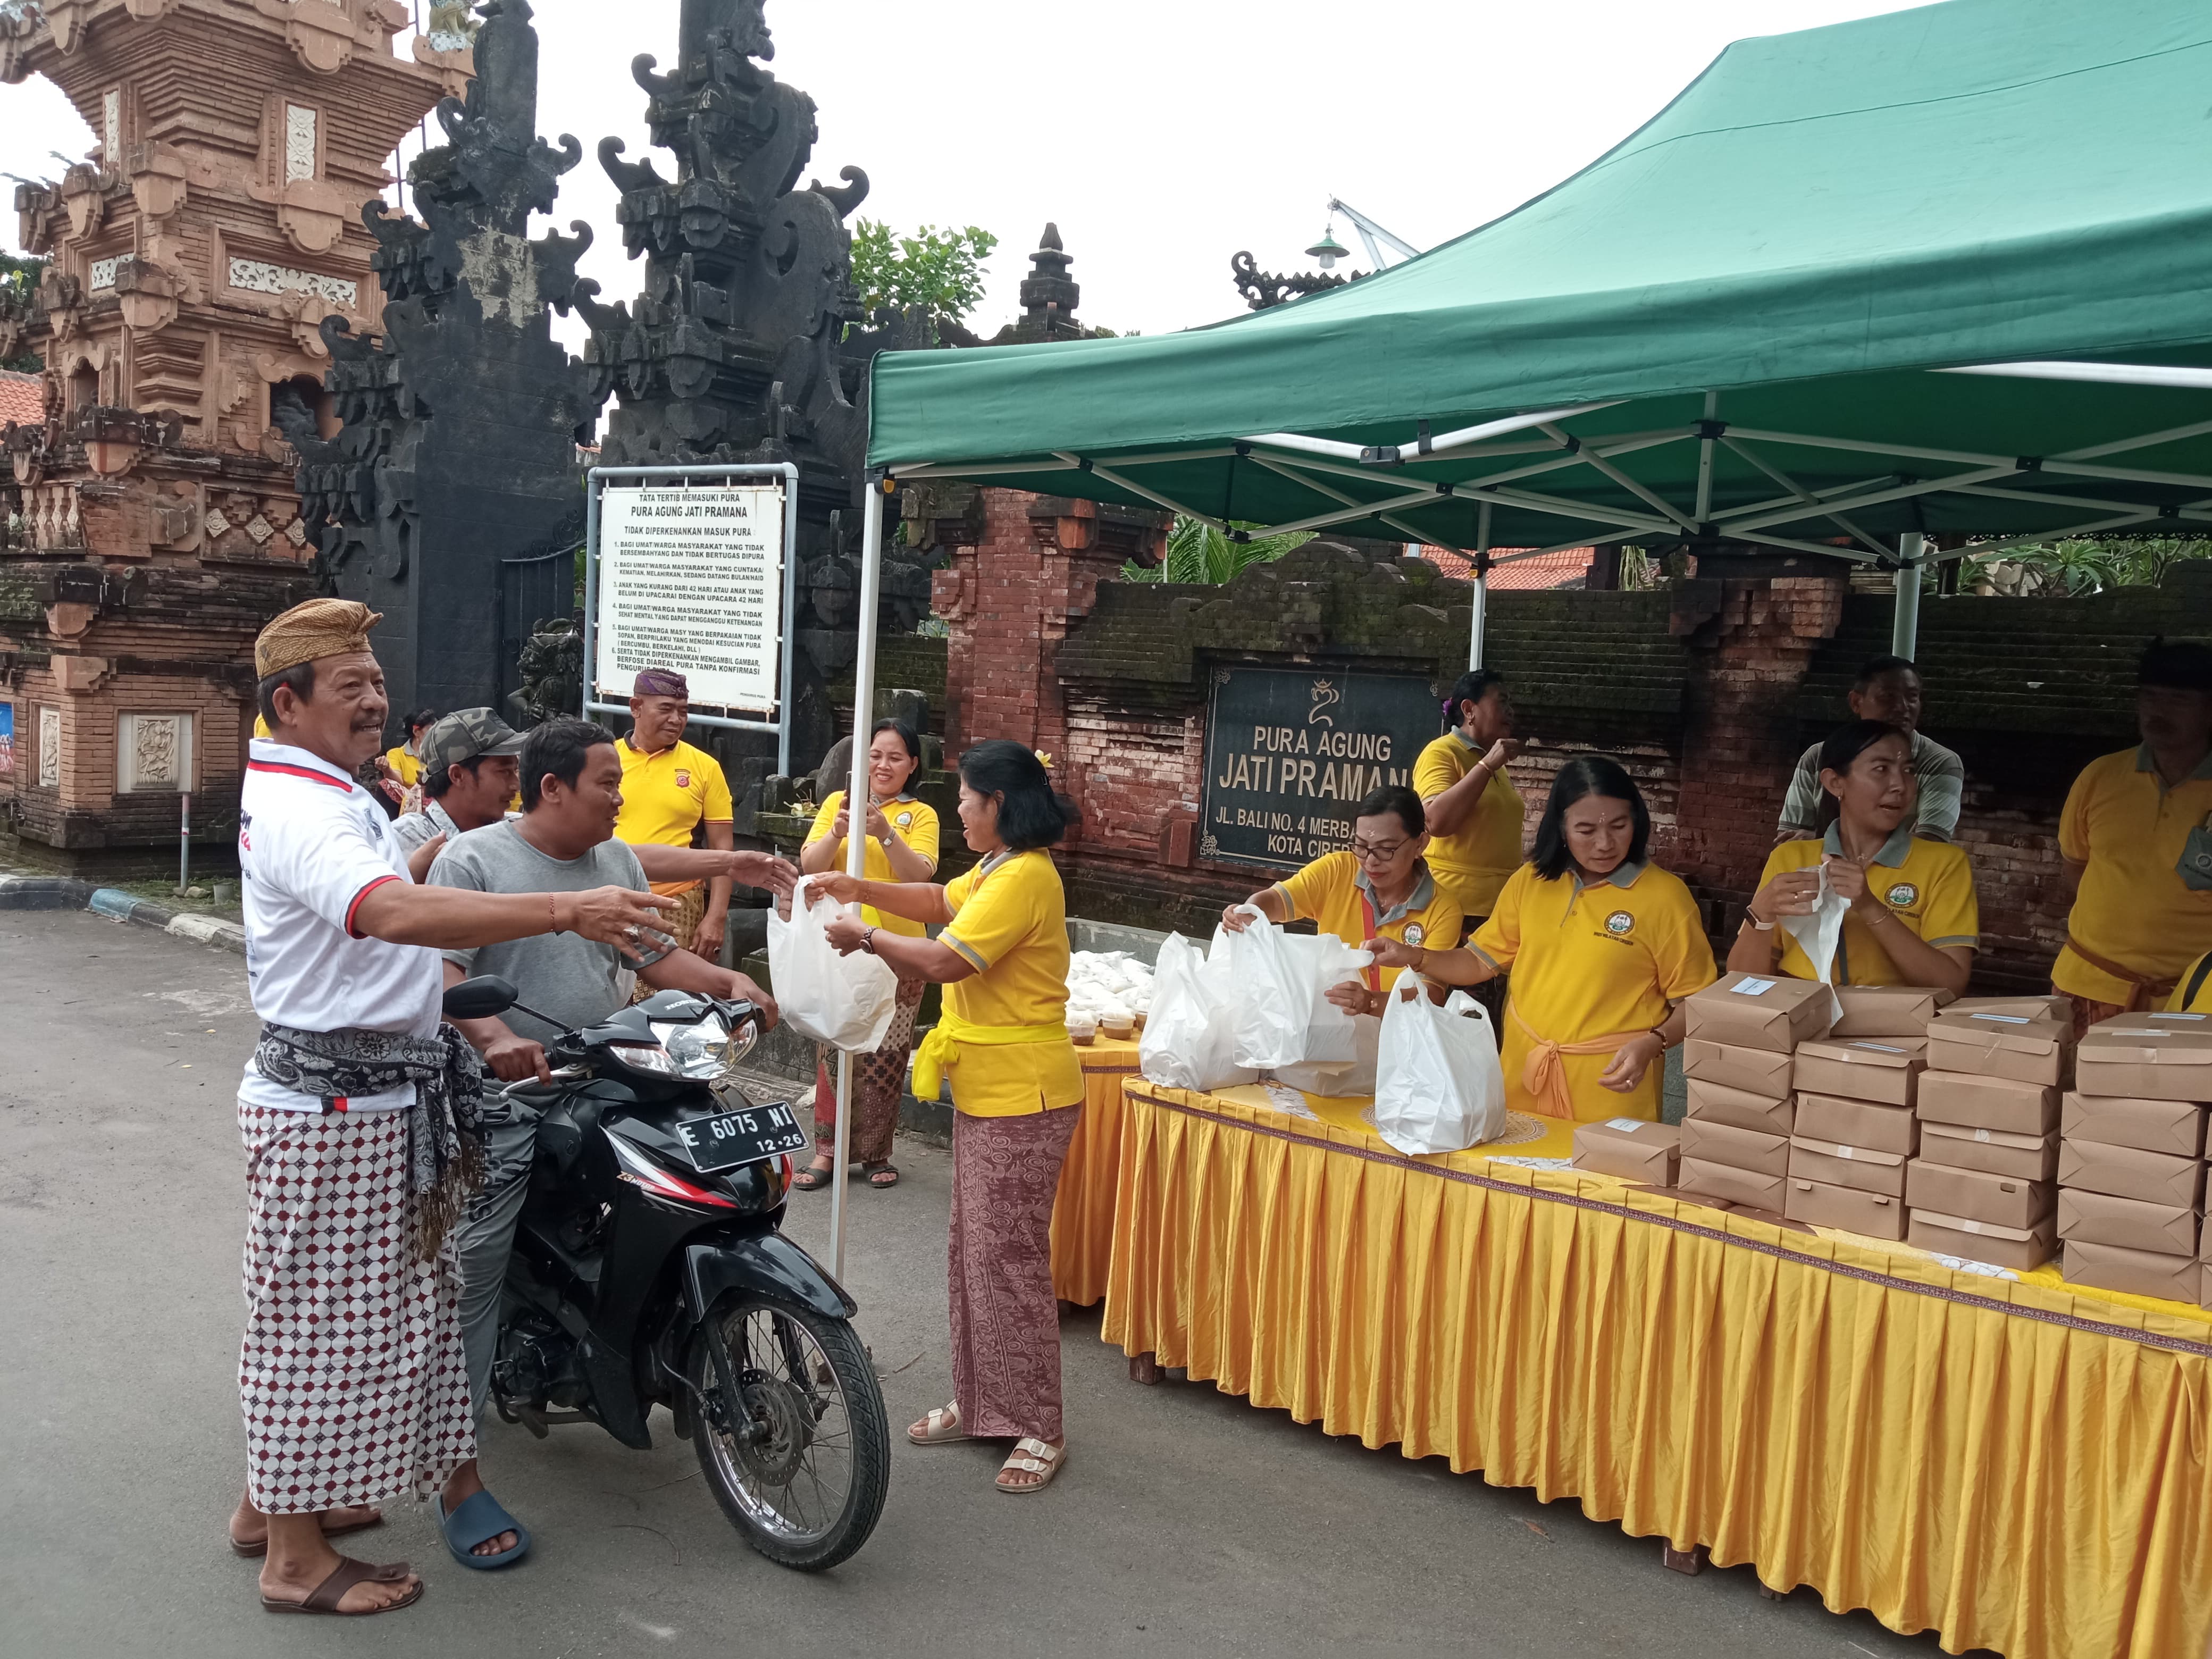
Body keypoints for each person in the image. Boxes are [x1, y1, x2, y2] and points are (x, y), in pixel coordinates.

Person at [228, 599, 669, 1614]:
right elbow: (384, 912)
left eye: (379, 683)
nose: (377, 700)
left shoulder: (330, 789)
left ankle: (274, 1504)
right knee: (317, 1324)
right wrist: (565, 909)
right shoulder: (307, 807)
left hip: (371, 1091)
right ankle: (292, 1561)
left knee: (356, 1315)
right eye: (352, 687)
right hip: (333, 1105)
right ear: (287, 702)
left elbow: (386, 935)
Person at [429, 718, 787, 1537]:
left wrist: (725, 976)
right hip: (507, 1091)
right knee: (477, 1259)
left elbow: (652, 959)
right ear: (552, 788)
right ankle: (456, 1468)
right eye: (607, 784)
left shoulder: (617, 861)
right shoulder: (474, 861)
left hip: (612, 1071)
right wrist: (497, 1040)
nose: (621, 799)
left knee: (695, 1173)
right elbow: (443, 969)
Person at [807, 741, 1081, 1495]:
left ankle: (1039, 1423)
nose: (958, 808)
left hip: (1026, 1093)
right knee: (974, 1254)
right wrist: (856, 883)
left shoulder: (1026, 876)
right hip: (991, 1086)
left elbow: (943, 960)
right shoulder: (997, 869)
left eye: (966, 798)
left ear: (999, 805)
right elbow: (937, 903)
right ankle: (990, 1403)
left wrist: (862, 932)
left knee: (1010, 1259)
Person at [1369, 757, 1717, 1122]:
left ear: (1638, 822)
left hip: (1611, 1085)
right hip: (1522, 1074)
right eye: (1586, 830)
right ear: (1561, 828)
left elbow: (1695, 1002)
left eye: (1619, 825)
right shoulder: (1531, 882)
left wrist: (1654, 1043)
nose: (1604, 843)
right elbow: (1478, 961)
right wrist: (1413, 955)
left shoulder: (1666, 898)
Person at [794, 719, 939, 1191]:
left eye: (896, 757)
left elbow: (920, 876)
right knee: (834, 1049)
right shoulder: (839, 804)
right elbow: (810, 866)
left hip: (897, 950)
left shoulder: (922, 815)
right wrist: (838, 834)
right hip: (840, 945)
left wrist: (885, 833)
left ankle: (876, 1151)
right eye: (876, 755)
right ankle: (827, 1151)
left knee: (887, 1054)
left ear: (912, 765)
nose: (883, 765)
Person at [1733, 721, 1978, 995]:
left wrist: (1870, 907)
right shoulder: (1791, 858)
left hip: (1893, 1027)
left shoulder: (1944, 864)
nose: (1900, 785)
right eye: (1881, 769)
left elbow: (1952, 984)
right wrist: (1761, 913)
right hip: (1798, 1017)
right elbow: (1742, 985)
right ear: (1835, 783)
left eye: (1909, 770)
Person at [2053, 638, 2212, 1033]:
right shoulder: (2101, 777)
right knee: (2070, 1092)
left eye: (2178, 699)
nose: (2159, 710)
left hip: (2192, 1000)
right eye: (2150, 696)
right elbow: (2076, 868)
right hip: (2086, 985)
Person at [1218, 783, 1462, 1015]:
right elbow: (1275, 900)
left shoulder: (1443, 909)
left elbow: (1431, 994)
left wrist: (1371, 1002)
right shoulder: (1337, 871)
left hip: (1399, 1042)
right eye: (1361, 846)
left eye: (1386, 849)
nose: (1370, 861)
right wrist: (1250, 912)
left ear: (1420, 843)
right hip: (1328, 1030)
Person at [613, 668, 735, 963]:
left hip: (677, 901)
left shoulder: (704, 767)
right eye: (666, 709)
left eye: (683, 711)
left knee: (668, 1002)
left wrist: (716, 917)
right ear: (636, 707)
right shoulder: (607, 758)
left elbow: (723, 850)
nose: (676, 720)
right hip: (611, 896)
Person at [1776, 655, 1964, 843]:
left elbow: (1930, 846)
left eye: (1912, 697)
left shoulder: (1939, 762)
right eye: (1888, 697)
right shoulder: (1818, 757)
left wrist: (1822, 842)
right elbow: (1790, 840)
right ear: (1856, 702)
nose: (1903, 707)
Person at [1412, 669, 1524, 933]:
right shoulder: (1442, 752)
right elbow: (1434, 821)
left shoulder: (1494, 764)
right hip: (1455, 906)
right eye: (1502, 701)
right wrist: (1486, 766)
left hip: (1497, 906)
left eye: (1510, 704)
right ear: (1469, 709)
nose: (1510, 711)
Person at [392, 707, 527, 880]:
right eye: (504, 772)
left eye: (514, 771)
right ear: (457, 776)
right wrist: (412, 883)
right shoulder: (405, 839)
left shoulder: (517, 830)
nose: (516, 786)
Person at [378, 706, 439, 812]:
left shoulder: (439, 754)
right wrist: (387, 769)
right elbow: (398, 781)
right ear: (416, 732)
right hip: (407, 799)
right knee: (386, 784)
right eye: (431, 730)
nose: (435, 735)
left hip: (434, 798)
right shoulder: (396, 754)